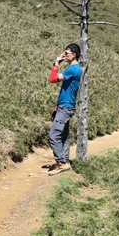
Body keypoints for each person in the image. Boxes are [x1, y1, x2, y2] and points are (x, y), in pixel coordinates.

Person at [47, 42, 83, 175]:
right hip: (66, 107)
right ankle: (65, 160)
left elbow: (53, 79)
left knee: (54, 135)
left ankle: (61, 162)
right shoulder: (76, 69)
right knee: (63, 135)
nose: (64, 55)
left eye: (66, 53)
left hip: (65, 107)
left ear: (74, 55)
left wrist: (56, 62)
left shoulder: (73, 69)